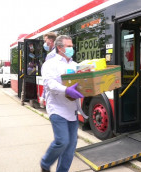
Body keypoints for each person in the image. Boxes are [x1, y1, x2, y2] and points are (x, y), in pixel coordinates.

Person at [40, 35, 84, 172]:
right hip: (57, 109)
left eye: (72, 46)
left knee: (70, 147)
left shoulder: (75, 65)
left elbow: (82, 82)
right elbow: (49, 83)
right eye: (69, 46)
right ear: (59, 48)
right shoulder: (50, 64)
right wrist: (66, 90)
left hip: (72, 110)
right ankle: (45, 162)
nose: (72, 48)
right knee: (62, 141)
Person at [39, 32, 57, 107]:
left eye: (45, 40)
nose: (45, 43)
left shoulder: (51, 55)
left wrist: (43, 96)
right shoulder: (62, 52)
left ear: (50, 41)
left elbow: (48, 78)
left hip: (53, 94)